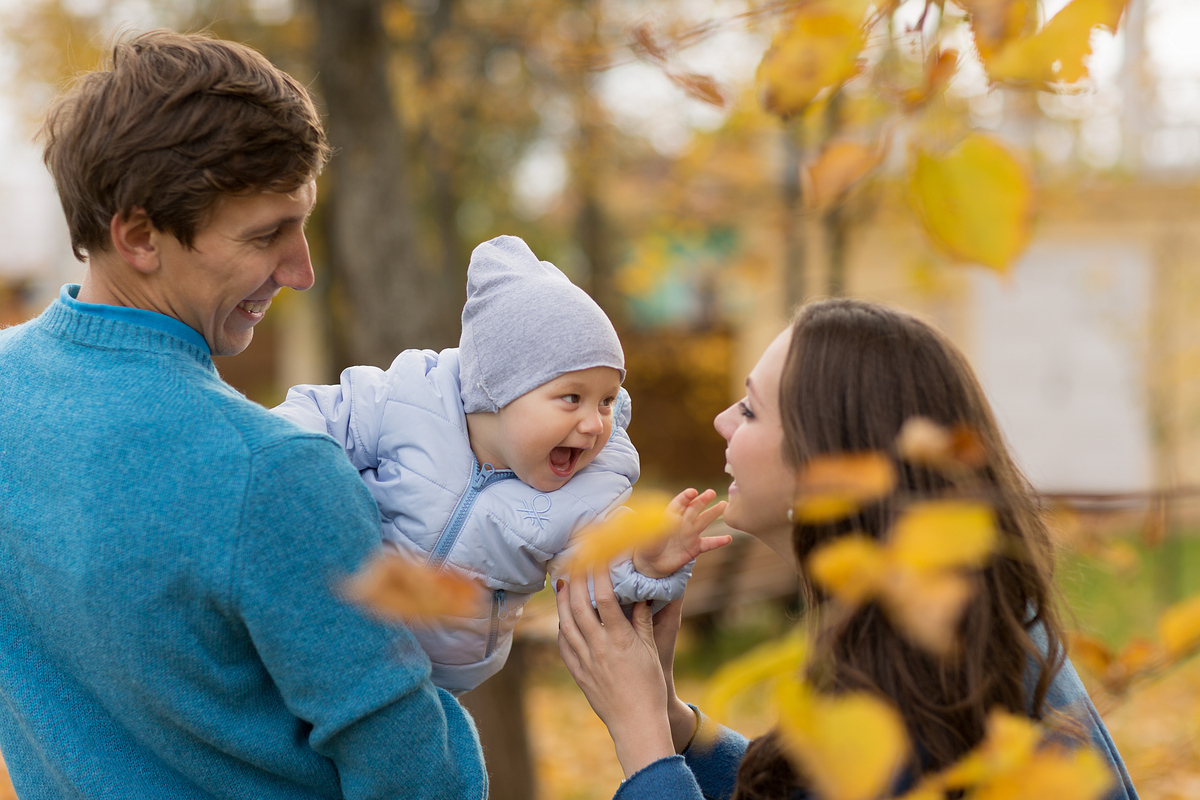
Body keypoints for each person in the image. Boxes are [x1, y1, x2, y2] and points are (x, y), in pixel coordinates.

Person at [0, 30, 487, 799]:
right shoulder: (271, 472)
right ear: (137, 234)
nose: (301, 270)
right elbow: (412, 775)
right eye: (266, 235)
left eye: (301, 224)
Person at [555, 298, 1140, 799]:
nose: (720, 421)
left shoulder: (932, 677)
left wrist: (643, 741)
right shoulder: (933, 642)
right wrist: (673, 721)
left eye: (752, 409)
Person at [274, 233, 730, 695]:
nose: (594, 423)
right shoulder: (409, 400)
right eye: (572, 397)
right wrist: (273, 455)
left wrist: (645, 565)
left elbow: (596, 582)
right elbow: (321, 414)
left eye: (607, 401)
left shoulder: (587, 492)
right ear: (497, 389)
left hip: (430, 680)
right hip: (333, 619)